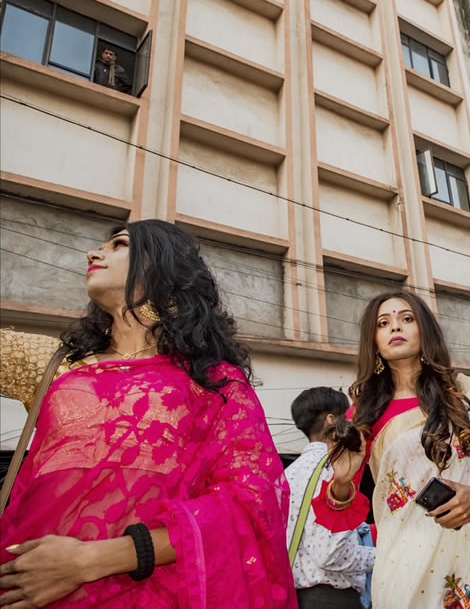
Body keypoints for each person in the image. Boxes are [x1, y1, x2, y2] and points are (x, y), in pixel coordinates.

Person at [0, 220, 295, 607]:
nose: (94, 253)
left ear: (163, 265)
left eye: (118, 245)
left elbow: (249, 501)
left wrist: (90, 560)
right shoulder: (58, 366)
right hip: (25, 586)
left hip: (148, 593)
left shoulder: (211, 382)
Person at [324, 291, 470, 608]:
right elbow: (339, 518)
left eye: (406, 319)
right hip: (399, 567)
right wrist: (342, 481)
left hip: (467, 555)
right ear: (374, 340)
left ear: (424, 329)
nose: (395, 327)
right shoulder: (362, 415)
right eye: (384, 323)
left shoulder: (466, 393)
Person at [286, 387, 375, 608]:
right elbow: (332, 555)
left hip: (296, 597)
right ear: (331, 420)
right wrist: (390, 556)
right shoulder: (334, 469)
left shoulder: (287, 474)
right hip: (332, 599)